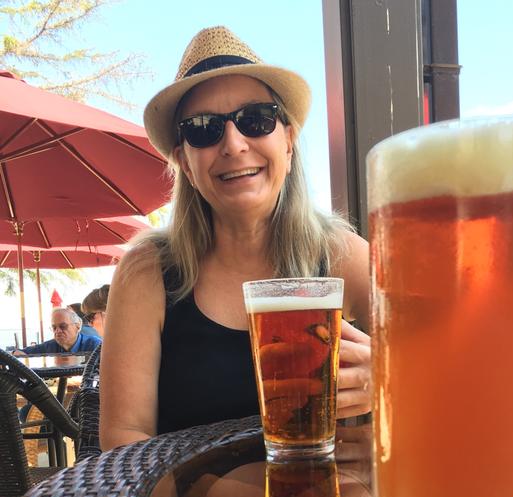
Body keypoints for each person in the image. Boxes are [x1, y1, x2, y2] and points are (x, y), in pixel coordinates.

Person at [100, 26, 370, 450]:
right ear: (184, 162)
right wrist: (208, 496)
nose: (233, 143)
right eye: (204, 129)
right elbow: (123, 437)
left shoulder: (339, 253)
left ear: (289, 140)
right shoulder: (147, 270)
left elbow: (453, 356)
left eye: (255, 120)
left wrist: (392, 378)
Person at [14, 307, 102, 355]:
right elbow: (19, 353)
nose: (58, 331)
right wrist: (16, 353)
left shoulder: (94, 345)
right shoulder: (50, 346)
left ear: (77, 326)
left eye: (63, 326)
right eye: (54, 328)